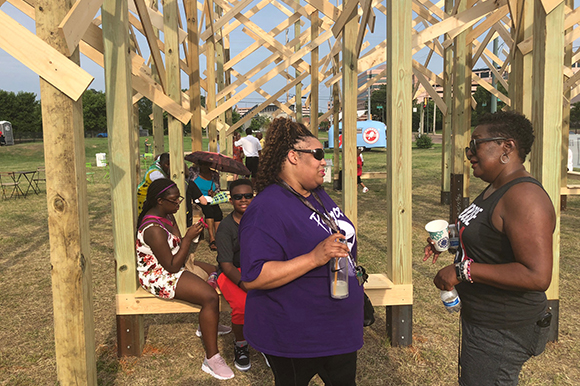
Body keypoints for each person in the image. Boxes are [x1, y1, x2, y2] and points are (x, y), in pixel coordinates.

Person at [423, 111, 556, 386]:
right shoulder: (495, 186)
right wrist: (449, 237)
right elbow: (488, 232)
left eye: (476, 144)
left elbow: (537, 275)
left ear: (507, 147)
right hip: (484, 320)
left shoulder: (524, 197)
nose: (469, 153)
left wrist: (462, 270)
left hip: (504, 328)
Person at [239, 117, 363, 386]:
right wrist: (313, 258)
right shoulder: (267, 207)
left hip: (338, 329)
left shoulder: (316, 194)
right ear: (293, 157)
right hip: (298, 336)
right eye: (318, 154)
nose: (324, 161)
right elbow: (254, 276)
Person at [136, 178, 235, 380]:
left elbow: (175, 248)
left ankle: (208, 321)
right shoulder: (153, 229)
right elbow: (170, 266)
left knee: (219, 270)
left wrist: (189, 237)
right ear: (159, 200)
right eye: (174, 200)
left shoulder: (166, 215)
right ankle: (212, 358)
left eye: (179, 198)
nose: (179, 203)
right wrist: (189, 239)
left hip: (173, 265)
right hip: (158, 275)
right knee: (209, 297)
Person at [214, 179, 254, 371]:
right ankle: (241, 344)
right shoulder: (226, 228)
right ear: (231, 200)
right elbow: (226, 264)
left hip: (253, 268)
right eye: (238, 197)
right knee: (242, 304)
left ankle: (266, 340)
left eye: (248, 196)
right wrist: (242, 283)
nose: (244, 200)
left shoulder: (259, 221)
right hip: (231, 271)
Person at [190, 162, 223, 251]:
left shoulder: (214, 175)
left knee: (218, 212)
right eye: (202, 164)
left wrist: (213, 193)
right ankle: (211, 238)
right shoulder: (193, 172)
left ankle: (218, 236)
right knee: (209, 211)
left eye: (206, 164)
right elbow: (189, 185)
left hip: (210, 199)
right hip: (198, 198)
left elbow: (218, 189)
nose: (204, 166)